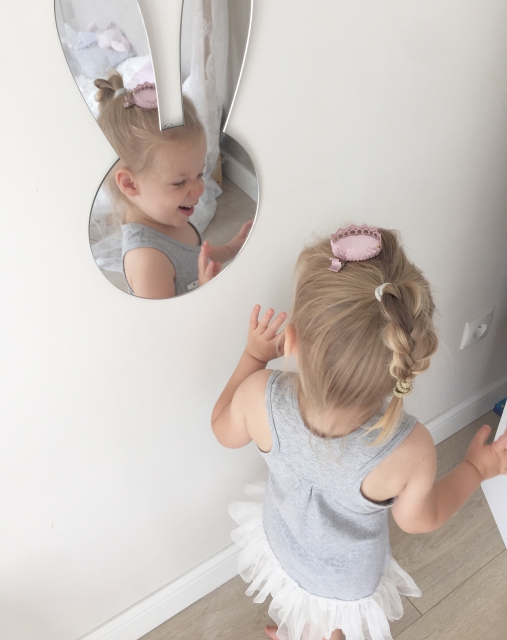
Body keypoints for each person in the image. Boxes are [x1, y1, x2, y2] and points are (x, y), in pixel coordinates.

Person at [211, 224, 507, 640]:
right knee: (336, 627)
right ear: (400, 363)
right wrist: (476, 468)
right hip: (347, 583)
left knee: (296, 600)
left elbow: (222, 428)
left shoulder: (259, 395)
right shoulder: (409, 450)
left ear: (290, 341)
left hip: (285, 541)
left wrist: (252, 356)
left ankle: (297, 632)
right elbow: (421, 520)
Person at [94, 71, 252, 299]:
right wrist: (205, 290)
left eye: (200, 173)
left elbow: (194, 258)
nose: (200, 189)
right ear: (129, 184)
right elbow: (167, 321)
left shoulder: (165, 216)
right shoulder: (148, 260)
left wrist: (230, 249)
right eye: (179, 182)